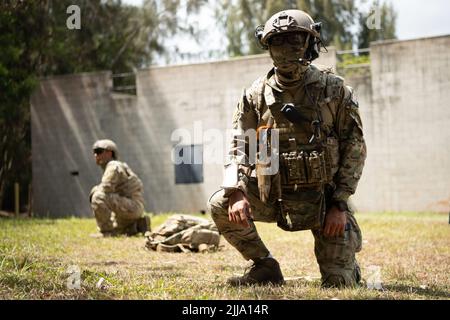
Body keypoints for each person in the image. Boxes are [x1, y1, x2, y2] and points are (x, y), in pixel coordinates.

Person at [208, 9, 366, 288]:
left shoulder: (335, 91)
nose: (286, 48)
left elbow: (354, 148)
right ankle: (264, 266)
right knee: (221, 203)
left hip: (324, 202)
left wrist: (340, 203)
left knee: (339, 283)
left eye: (295, 39)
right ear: (267, 46)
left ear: (311, 43)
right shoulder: (255, 95)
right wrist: (236, 191)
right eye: (277, 41)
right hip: (274, 196)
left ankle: (344, 264)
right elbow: (239, 145)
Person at [90, 139, 150, 236]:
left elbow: (106, 187)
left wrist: (94, 191)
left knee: (98, 196)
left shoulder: (113, 166)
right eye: (94, 152)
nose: (96, 155)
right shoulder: (117, 165)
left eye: (99, 151)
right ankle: (138, 224)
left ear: (109, 153)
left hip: (131, 205)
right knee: (119, 229)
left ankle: (106, 232)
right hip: (132, 206)